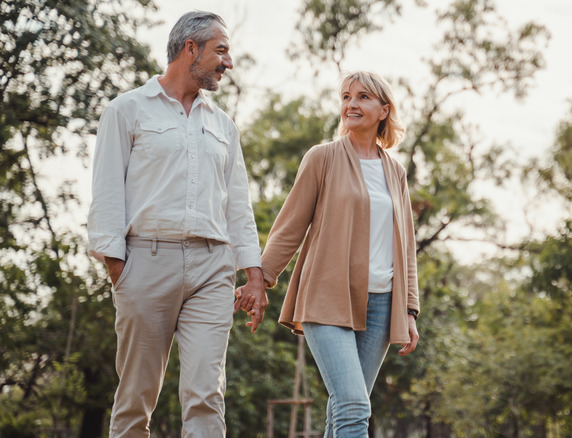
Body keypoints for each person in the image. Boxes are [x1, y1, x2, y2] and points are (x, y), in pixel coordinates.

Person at [87, 11, 267, 437]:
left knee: (207, 396)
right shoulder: (126, 110)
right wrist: (119, 270)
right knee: (136, 397)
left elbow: (237, 205)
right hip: (145, 263)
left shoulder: (224, 126)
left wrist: (254, 275)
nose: (228, 61)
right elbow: (107, 195)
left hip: (212, 268)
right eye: (220, 50)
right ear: (191, 49)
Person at [236, 71, 420, 437]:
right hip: (327, 296)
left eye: (363, 97)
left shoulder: (395, 172)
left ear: (384, 110)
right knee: (354, 404)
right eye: (346, 97)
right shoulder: (322, 158)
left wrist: (410, 310)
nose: (351, 104)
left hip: (382, 304)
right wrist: (261, 280)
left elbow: (407, 246)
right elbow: (289, 226)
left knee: (343, 410)